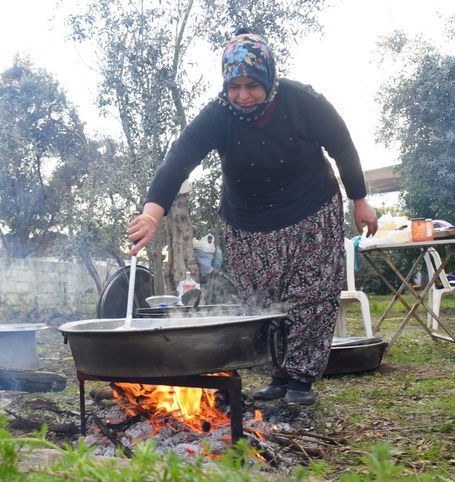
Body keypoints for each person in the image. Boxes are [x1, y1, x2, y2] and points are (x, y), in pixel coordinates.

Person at [127, 30, 378, 405]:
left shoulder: (303, 101)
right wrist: (151, 215)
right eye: (235, 86)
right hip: (248, 223)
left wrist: (360, 199)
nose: (243, 95)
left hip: (310, 211)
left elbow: (342, 145)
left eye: (252, 85)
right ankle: (277, 375)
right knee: (262, 301)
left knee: (311, 296)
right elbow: (178, 161)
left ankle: (300, 381)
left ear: (269, 78)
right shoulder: (218, 115)